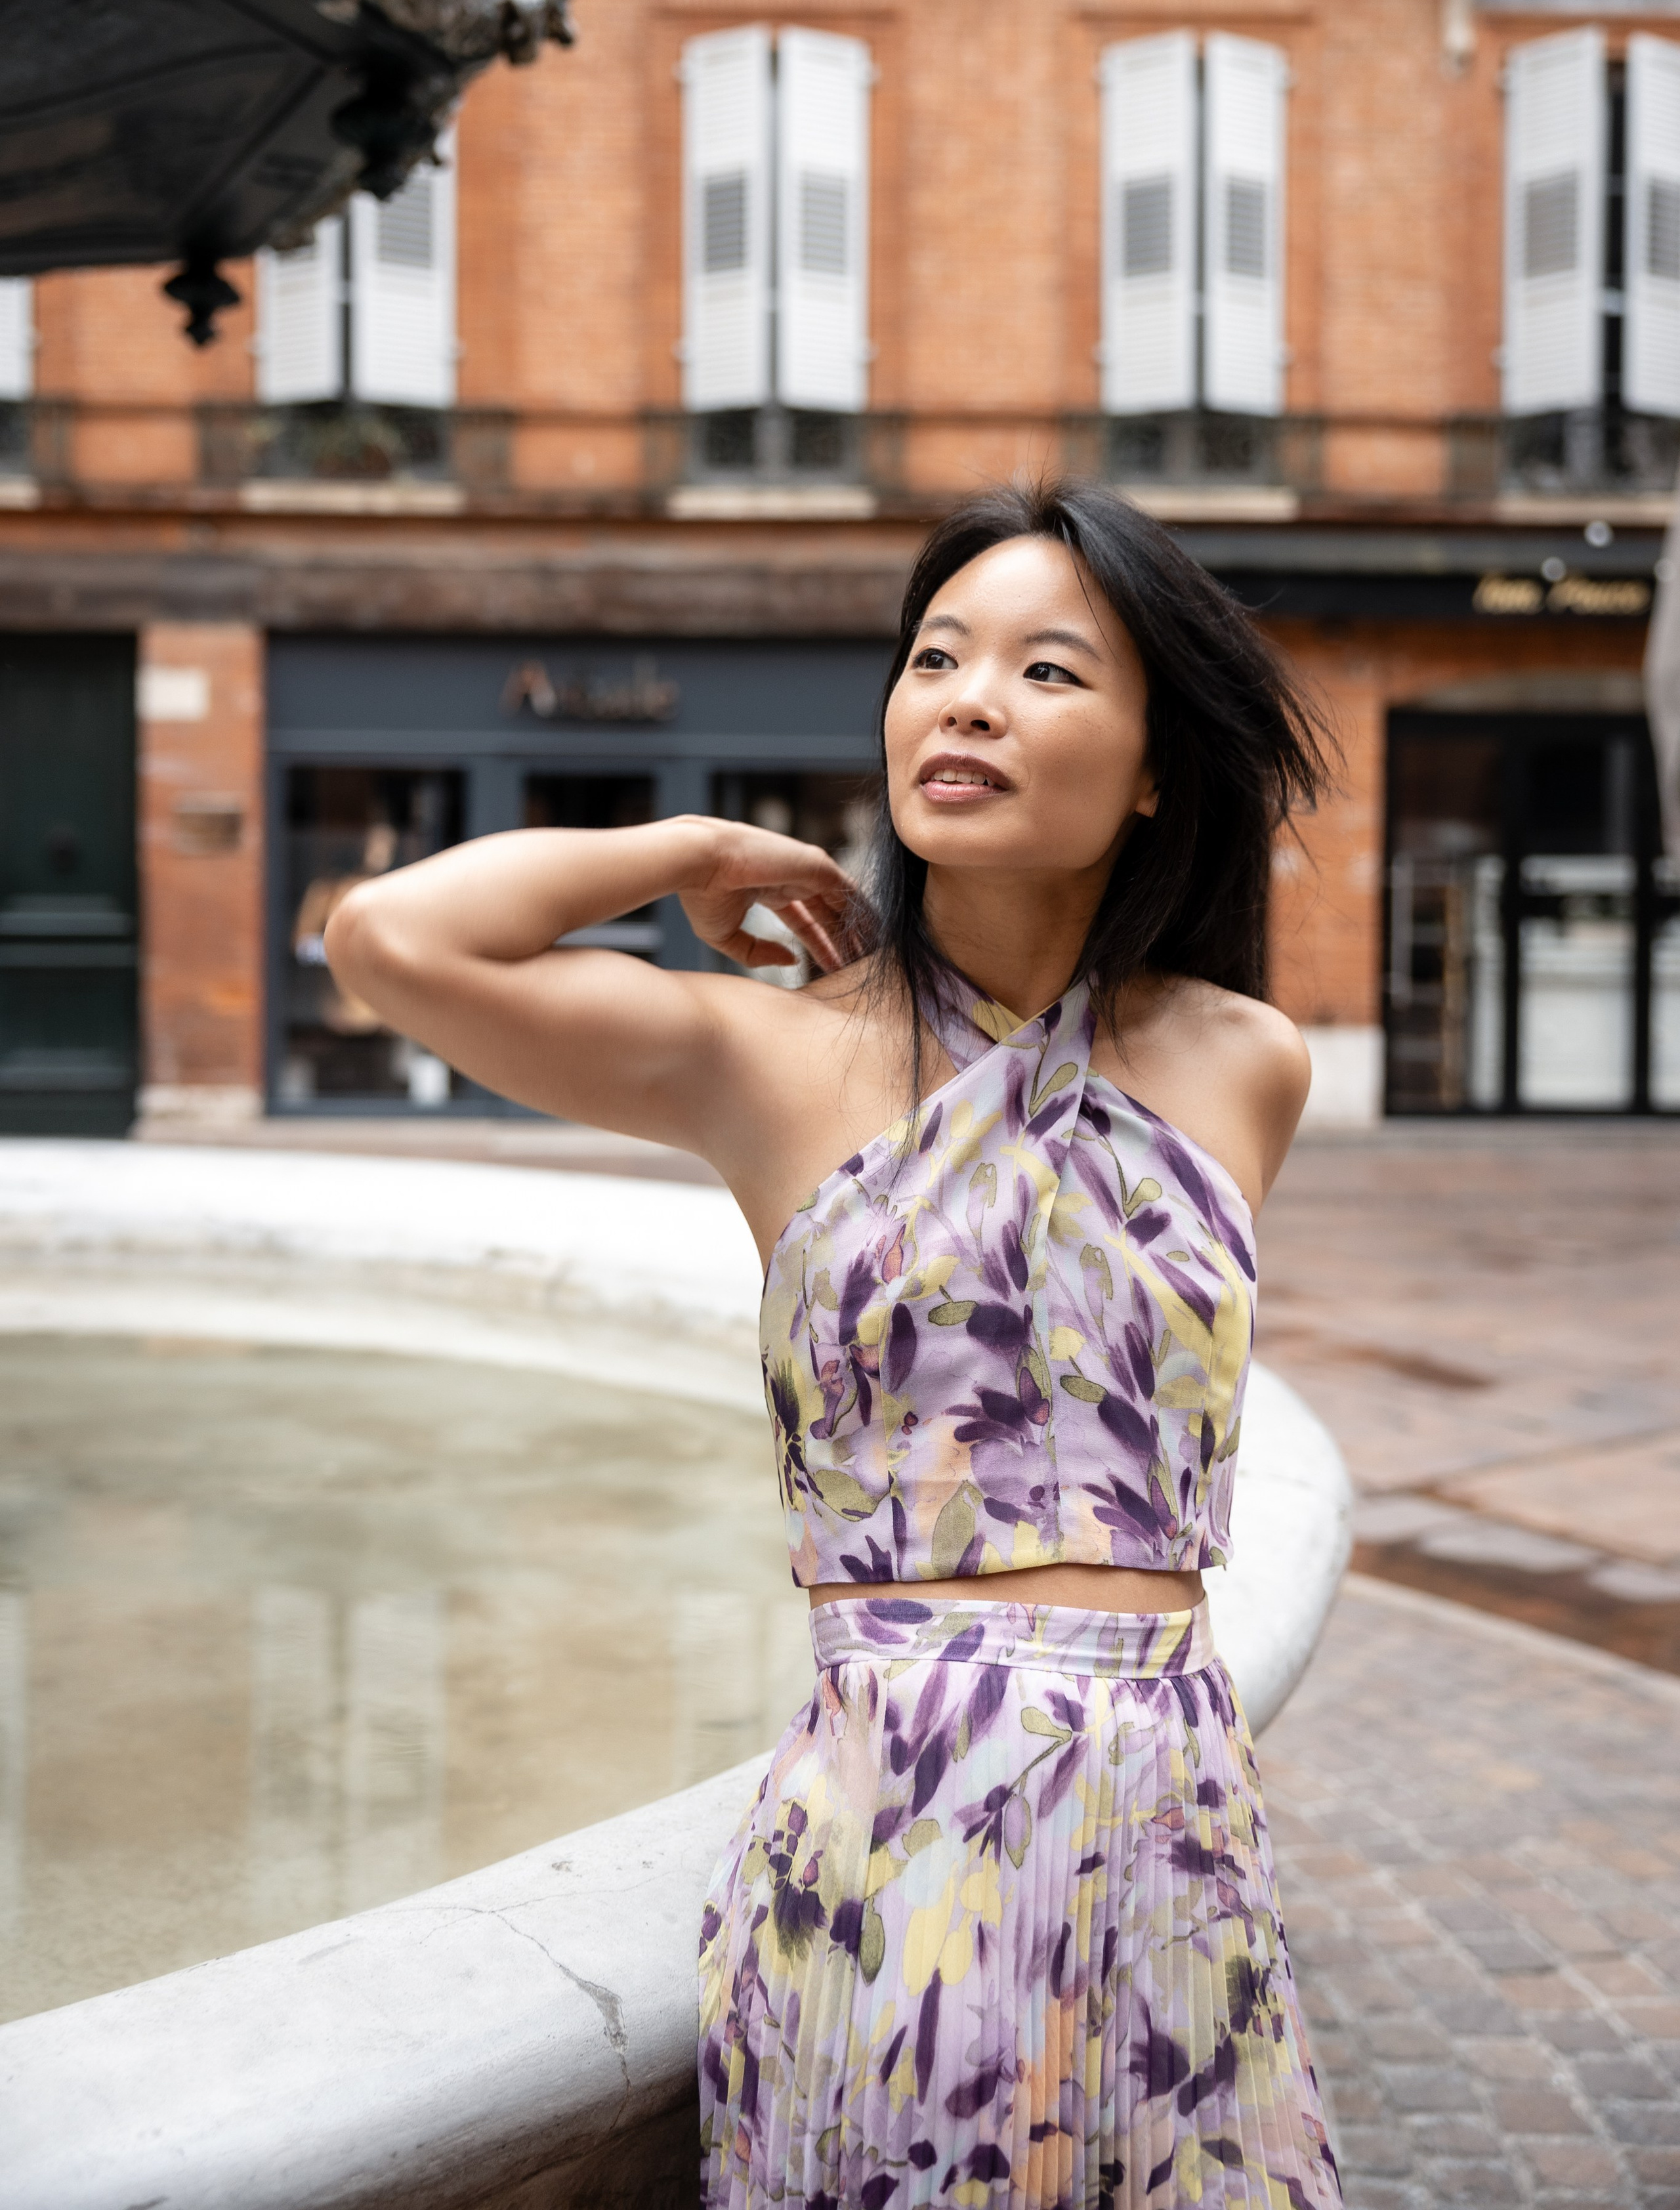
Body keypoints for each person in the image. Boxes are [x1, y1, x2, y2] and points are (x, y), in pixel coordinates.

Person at [325, 478, 1343, 2209]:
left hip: (1171, 1825)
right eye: (936, 658)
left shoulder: (1247, 1062)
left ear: (1159, 761)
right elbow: (391, 940)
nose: (966, 698)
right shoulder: (768, 1061)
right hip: (893, 1828)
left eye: (1046, 671)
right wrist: (700, 853)